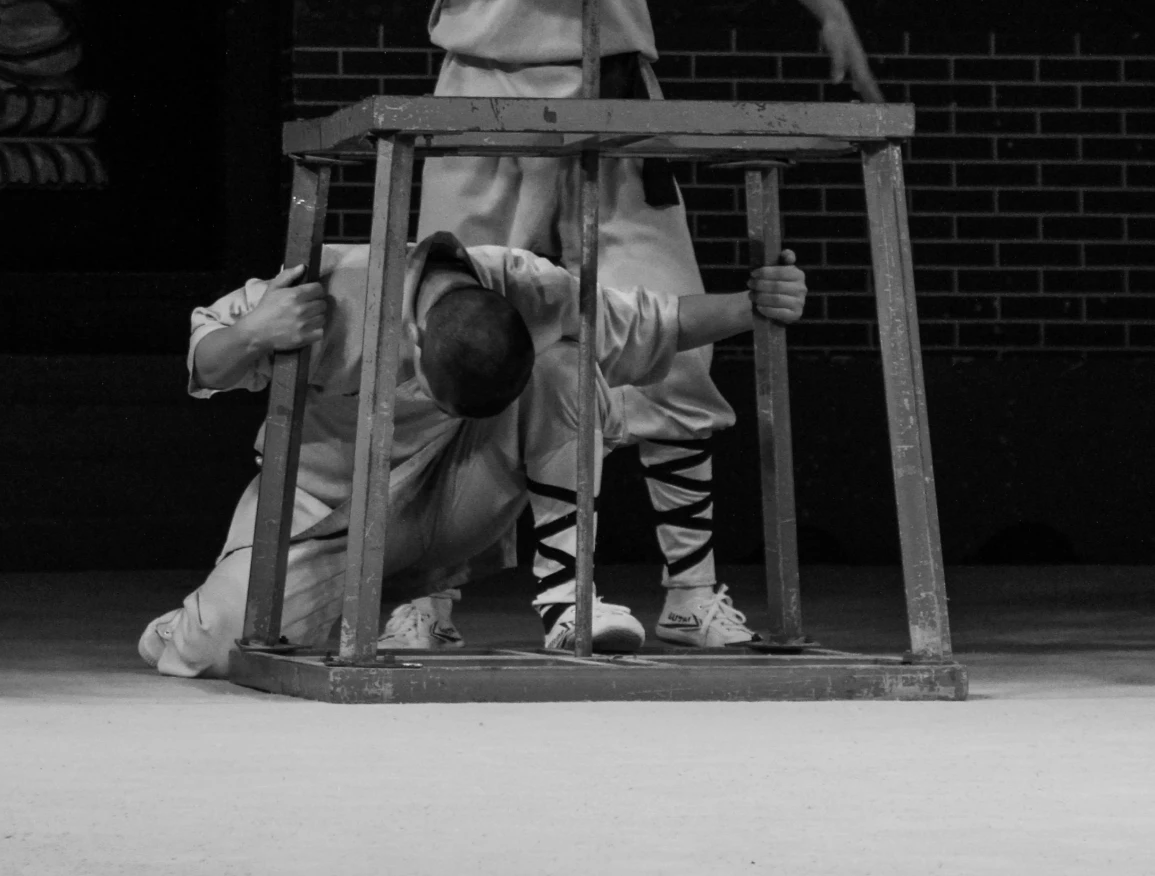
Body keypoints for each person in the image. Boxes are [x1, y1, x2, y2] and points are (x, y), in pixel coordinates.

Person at [304, 0, 878, 653]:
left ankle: (691, 586)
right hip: (481, 88)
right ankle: (427, 585)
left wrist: (824, 1)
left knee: (670, 340)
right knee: (452, 341)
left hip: (610, 90)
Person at [137, 230, 807, 678]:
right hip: (329, 507)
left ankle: (567, 597)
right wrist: (254, 333)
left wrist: (753, 303)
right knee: (223, 640)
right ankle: (259, 608)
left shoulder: (529, 286)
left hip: (458, 493)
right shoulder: (339, 285)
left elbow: (653, 320)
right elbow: (206, 359)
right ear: (417, 349)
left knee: (567, 365)